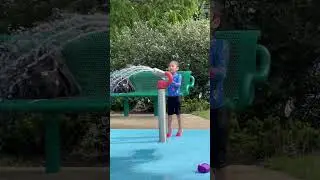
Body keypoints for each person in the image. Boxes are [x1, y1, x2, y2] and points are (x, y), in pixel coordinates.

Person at [210, 2, 231, 178]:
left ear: (215, 22)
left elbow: (222, 72)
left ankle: (219, 171)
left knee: (218, 157)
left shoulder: (220, 45)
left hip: (216, 105)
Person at [166, 60, 183, 137]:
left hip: (176, 98)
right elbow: (165, 84)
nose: (170, 67)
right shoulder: (167, 76)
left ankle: (180, 129)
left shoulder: (178, 76)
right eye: (169, 66)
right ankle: (169, 130)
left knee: (178, 115)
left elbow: (178, 85)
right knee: (169, 115)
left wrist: (171, 80)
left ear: (177, 68)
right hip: (170, 98)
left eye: (172, 66)